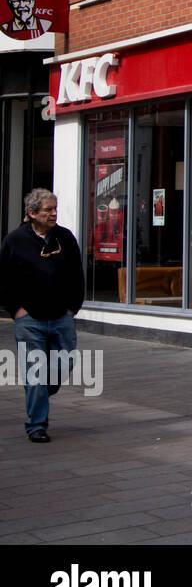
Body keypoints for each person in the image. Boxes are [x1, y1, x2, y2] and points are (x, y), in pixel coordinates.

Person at [0, 189, 85, 442]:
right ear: (32, 213)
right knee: (35, 374)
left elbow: (76, 276)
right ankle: (37, 425)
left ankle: (36, 393)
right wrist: (17, 310)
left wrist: (72, 309)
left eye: (55, 208)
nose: (53, 213)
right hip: (29, 321)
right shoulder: (15, 240)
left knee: (64, 365)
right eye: (48, 210)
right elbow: (3, 280)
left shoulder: (65, 238)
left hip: (62, 317)